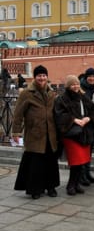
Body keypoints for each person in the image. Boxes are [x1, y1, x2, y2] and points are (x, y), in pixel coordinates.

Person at [12, 65, 60, 199]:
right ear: (35, 77)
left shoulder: (51, 92)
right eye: (39, 75)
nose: (42, 78)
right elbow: (18, 114)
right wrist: (16, 133)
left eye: (44, 75)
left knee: (50, 162)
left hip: (50, 133)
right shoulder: (27, 93)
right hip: (34, 133)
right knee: (35, 164)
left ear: (47, 77)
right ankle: (35, 189)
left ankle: (51, 187)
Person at [54, 75, 94, 195]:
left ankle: (76, 184)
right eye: (73, 84)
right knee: (75, 161)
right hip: (72, 134)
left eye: (77, 84)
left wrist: (88, 118)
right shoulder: (62, 99)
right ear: (68, 86)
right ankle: (70, 185)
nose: (76, 86)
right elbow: (59, 115)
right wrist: (74, 120)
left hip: (84, 133)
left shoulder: (83, 97)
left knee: (82, 161)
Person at [79, 67, 94, 185]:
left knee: (89, 150)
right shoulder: (81, 89)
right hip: (83, 124)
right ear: (86, 77)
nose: (92, 78)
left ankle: (87, 173)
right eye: (90, 76)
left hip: (92, 124)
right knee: (82, 150)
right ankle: (81, 175)